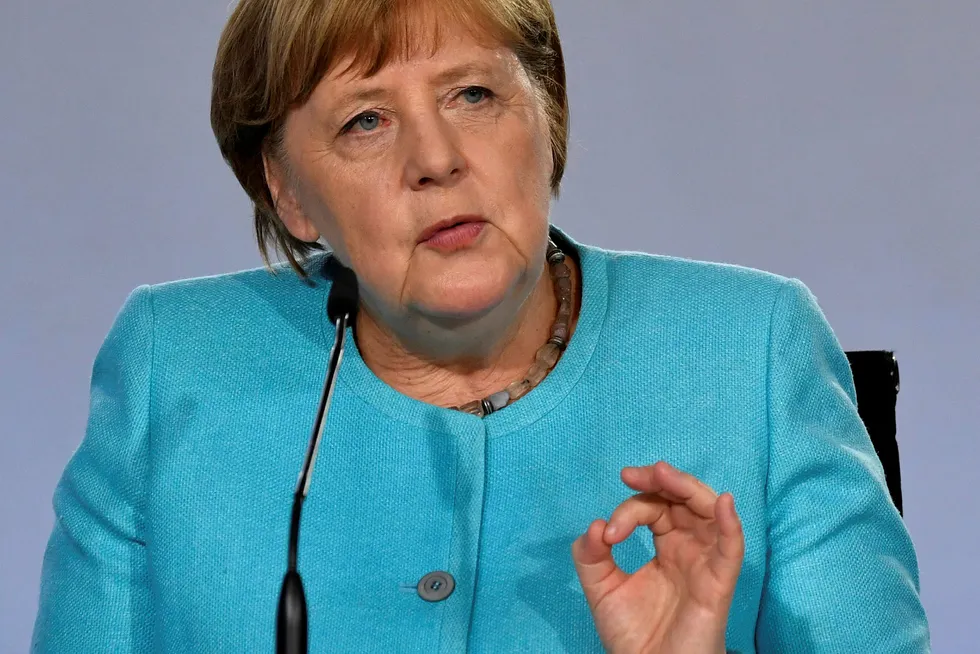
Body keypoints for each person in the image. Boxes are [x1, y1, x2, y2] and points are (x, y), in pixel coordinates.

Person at [31, 0, 930, 652]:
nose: (436, 160)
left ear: (546, 117)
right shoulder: (174, 364)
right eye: (366, 120)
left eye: (472, 95)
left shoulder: (753, 349)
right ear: (289, 193)